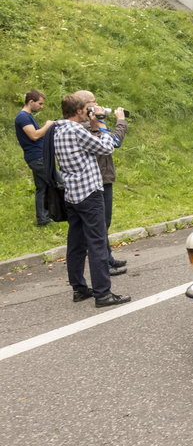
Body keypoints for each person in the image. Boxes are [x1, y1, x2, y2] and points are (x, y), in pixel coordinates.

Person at [54, 93, 130, 307]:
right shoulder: (78, 130)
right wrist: (100, 123)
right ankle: (103, 294)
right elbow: (107, 147)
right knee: (97, 243)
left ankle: (79, 289)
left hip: (71, 192)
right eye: (88, 108)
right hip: (89, 193)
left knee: (76, 244)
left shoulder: (58, 129)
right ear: (79, 111)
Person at [74, 90, 128, 275]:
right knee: (100, 224)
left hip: (104, 177)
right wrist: (121, 120)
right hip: (96, 180)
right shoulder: (84, 127)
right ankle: (103, 264)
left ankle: (108, 258)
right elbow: (114, 142)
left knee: (105, 222)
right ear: (83, 107)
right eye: (93, 101)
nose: (97, 104)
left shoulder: (92, 123)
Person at [15, 90, 55, 226]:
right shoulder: (22, 117)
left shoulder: (27, 116)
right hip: (37, 158)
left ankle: (43, 219)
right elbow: (34, 136)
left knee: (42, 188)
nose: (42, 106)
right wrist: (47, 126)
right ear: (31, 102)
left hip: (39, 156)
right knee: (58, 182)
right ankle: (71, 213)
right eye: (40, 103)